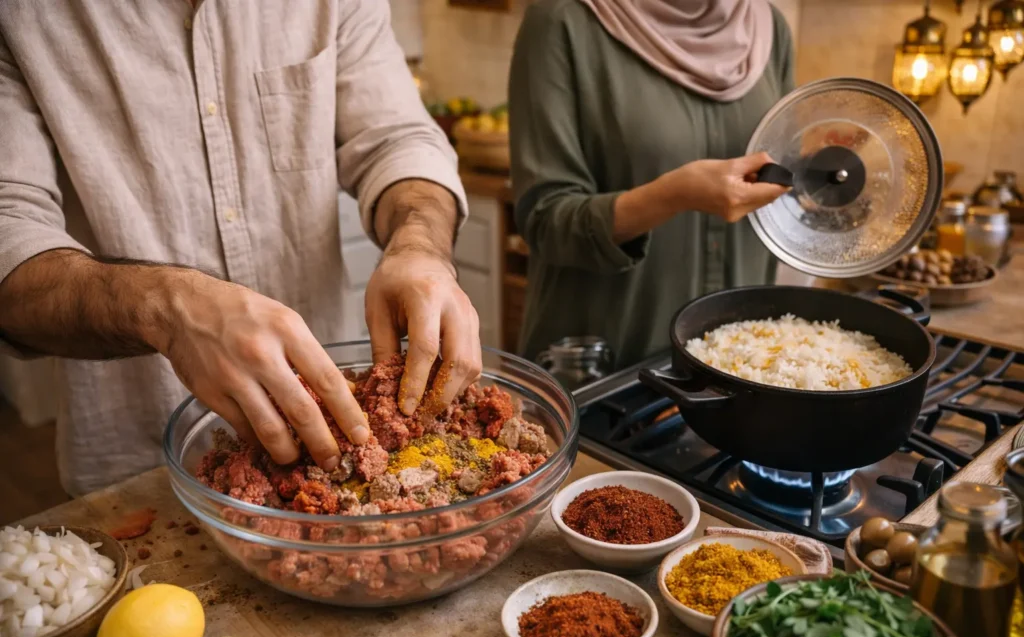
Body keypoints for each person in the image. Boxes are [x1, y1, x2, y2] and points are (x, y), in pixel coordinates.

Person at [0, 1, 481, 496]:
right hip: (139, 468)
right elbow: (9, 236)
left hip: (343, 446)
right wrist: (168, 309)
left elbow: (396, 139)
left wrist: (419, 243)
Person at [509, 0, 795, 368]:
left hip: (740, 366)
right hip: (607, 367)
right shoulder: (561, 20)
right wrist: (673, 195)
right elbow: (545, 220)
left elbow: (781, 169)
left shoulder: (768, 25)